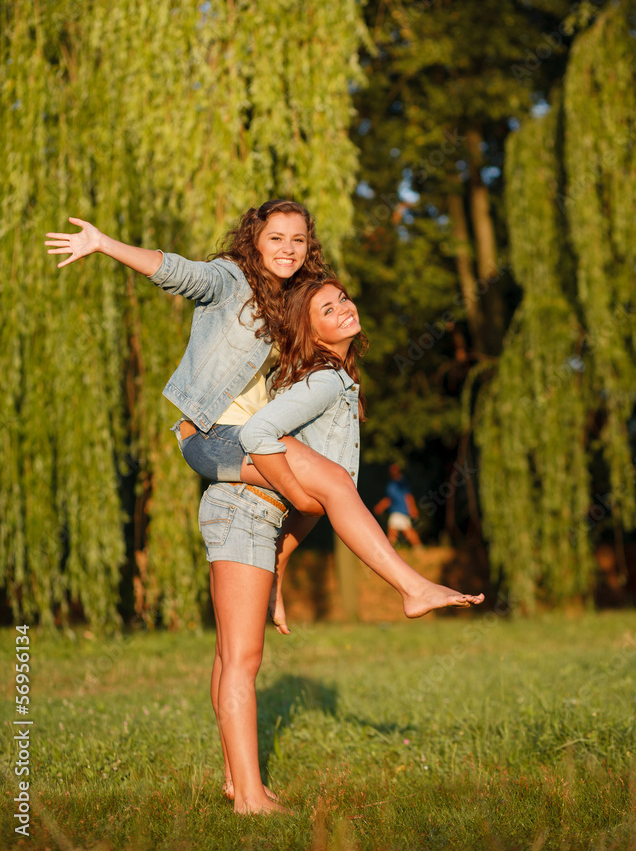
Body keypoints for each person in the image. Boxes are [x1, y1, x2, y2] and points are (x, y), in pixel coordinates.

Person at [44, 212, 484, 814]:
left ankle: (238, 780)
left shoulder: (287, 316)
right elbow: (177, 272)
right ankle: (411, 587)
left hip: (232, 452)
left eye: (298, 240)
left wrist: (294, 520)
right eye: (275, 237)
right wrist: (103, 244)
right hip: (209, 434)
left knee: (235, 651)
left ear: (308, 250)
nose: (287, 248)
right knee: (323, 487)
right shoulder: (232, 280)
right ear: (253, 241)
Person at [374, 464, 423, 549]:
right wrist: (381, 506)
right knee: (399, 529)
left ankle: (417, 547)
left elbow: (409, 497)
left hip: (402, 510)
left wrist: (412, 509)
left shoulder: (403, 483)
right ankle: (417, 547)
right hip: (395, 511)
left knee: (403, 530)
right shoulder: (391, 484)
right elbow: (389, 499)